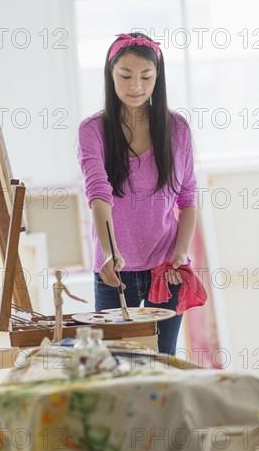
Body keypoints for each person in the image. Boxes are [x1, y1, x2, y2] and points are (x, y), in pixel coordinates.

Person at [77, 32, 197, 355]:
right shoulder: (92, 131)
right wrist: (110, 252)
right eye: (125, 76)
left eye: (146, 76)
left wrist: (180, 254)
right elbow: (98, 195)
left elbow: (187, 200)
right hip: (114, 272)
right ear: (110, 74)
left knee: (162, 360)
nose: (136, 86)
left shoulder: (177, 130)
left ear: (158, 76)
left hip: (166, 271)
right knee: (118, 363)